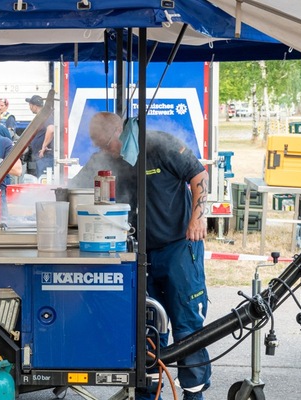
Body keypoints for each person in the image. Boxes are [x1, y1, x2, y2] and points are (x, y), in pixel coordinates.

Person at [74, 112, 211, 400]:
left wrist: (198, 217)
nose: (104, 151)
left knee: (187, 324)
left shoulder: (159, 144)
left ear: (118, 132)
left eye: (105, 144)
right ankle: (150, 392)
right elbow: (74, 188)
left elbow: (199, 174)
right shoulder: (110, 156)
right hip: (141, 253)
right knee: (147, 326)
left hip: (179, 247)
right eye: (98, 146)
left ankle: (194, 393)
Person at [25, 94, 55, 178]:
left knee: (44, 180)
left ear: (35, 106)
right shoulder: (41, 116)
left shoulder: (44, 115)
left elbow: (51, 129)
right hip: (42, 157)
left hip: (45, 156)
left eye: (30, 105)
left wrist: (43, 147)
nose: (30, 107)